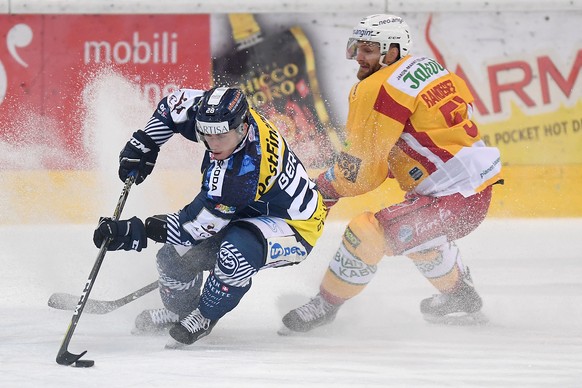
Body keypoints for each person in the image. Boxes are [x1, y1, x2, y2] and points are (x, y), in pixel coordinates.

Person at [280, 14, 503, 333]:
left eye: (369, 49)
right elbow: (418, 140)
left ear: (393, 50)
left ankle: (326, 305)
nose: (360, 56)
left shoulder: (375, 87)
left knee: (368, 231)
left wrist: (326, 187)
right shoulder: (428, 66)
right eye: (359, 47)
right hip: (471, 191)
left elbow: (363, 171)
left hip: (454, 199)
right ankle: (460, 296)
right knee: (416, 235)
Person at [93, 86, 327, 347]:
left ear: (242, 127)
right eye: (205, 135)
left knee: (233, 255)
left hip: (293, 226)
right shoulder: (217, 118)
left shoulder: (241, 173)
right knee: (172, 258)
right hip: (246, 211)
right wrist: (146, 143)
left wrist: (135, 232)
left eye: (221, 137)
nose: (212, 144)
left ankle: (204, 316)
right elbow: (173, 106)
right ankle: (180, 312)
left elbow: (194, 227)